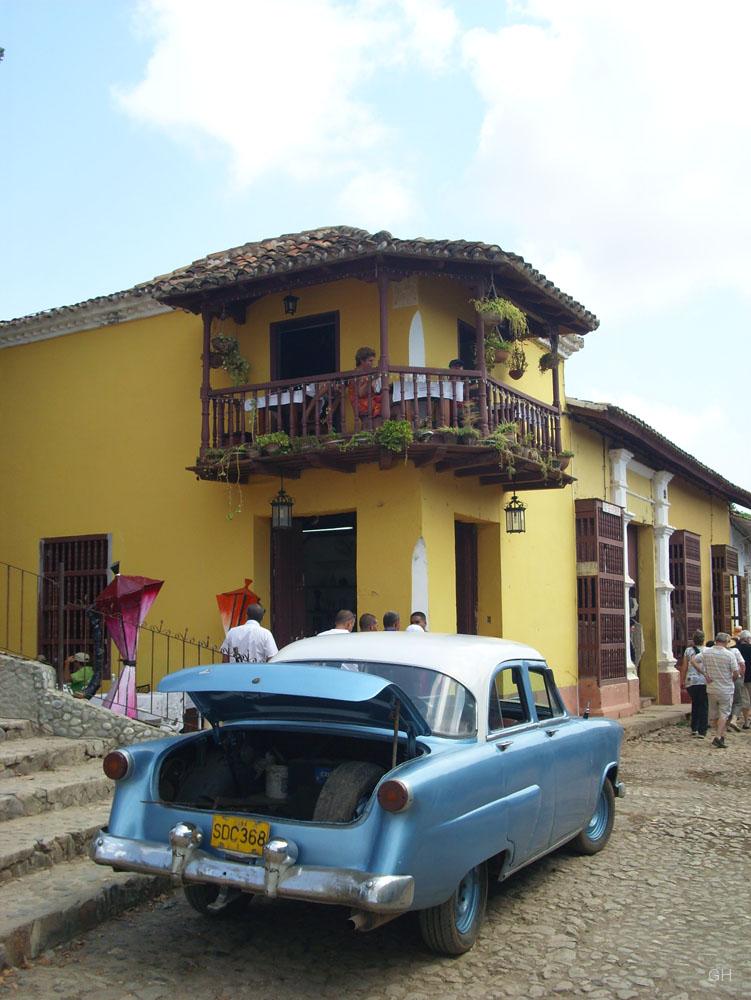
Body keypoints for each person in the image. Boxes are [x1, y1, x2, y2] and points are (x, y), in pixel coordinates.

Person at [691, 632, 741, 748]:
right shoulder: (729, 655)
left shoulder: (706, 652)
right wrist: (732, 679)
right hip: (726, 688)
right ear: (726, 642)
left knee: (714, 715)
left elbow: (693, 660)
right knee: (724, 713)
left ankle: (720, 735)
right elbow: (736, 672)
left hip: (711, 688)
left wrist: (704, 673)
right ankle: (718, 736)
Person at [682, 629, 708, 739]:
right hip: (704, 680)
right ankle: (702, 730)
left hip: (691, 681)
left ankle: (694, 728)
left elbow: (684, 666)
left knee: (695, 703)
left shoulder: (688, 651)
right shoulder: (707, 650)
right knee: (703, 705)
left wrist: (682, 680)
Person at [347, 347, 382, 427]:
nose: (372, 363)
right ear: (362, 361)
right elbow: (361, 393)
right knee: (384, 405)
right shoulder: (357, 374)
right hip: (361, 404)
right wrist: (372, 379)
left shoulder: (366, 373)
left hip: (369, 400)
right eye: (370, 361)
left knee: (389, 400)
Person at [733, 629, 751, 729]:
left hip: (740, 677)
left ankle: (746, 721)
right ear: (748, 639)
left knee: (744, 700)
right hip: (749, 677)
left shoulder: (735, 648)